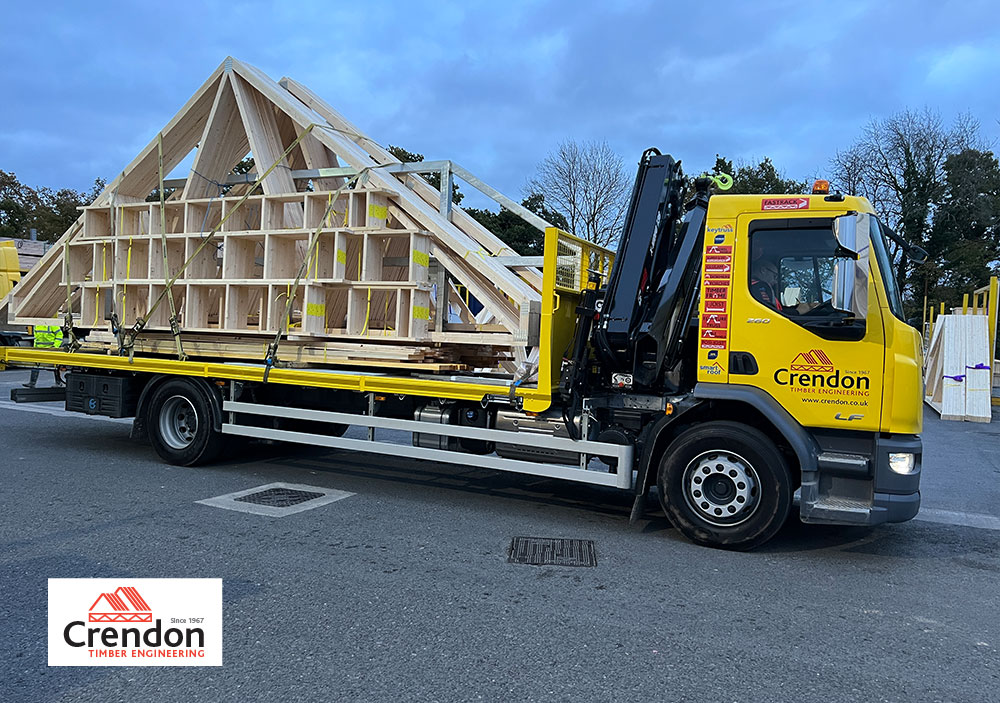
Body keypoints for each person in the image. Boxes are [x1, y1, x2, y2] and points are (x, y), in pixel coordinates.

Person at [23, 322, 64, 389]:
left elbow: (59, 335)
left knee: (55, 366)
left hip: (51, 349)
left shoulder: (52, 324)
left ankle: (58, 383)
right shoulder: (37, 325)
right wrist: (35, 348)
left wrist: (55, 347)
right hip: (40, 349)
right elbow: (36, 338)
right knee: (35, 365)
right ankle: (32, 383)